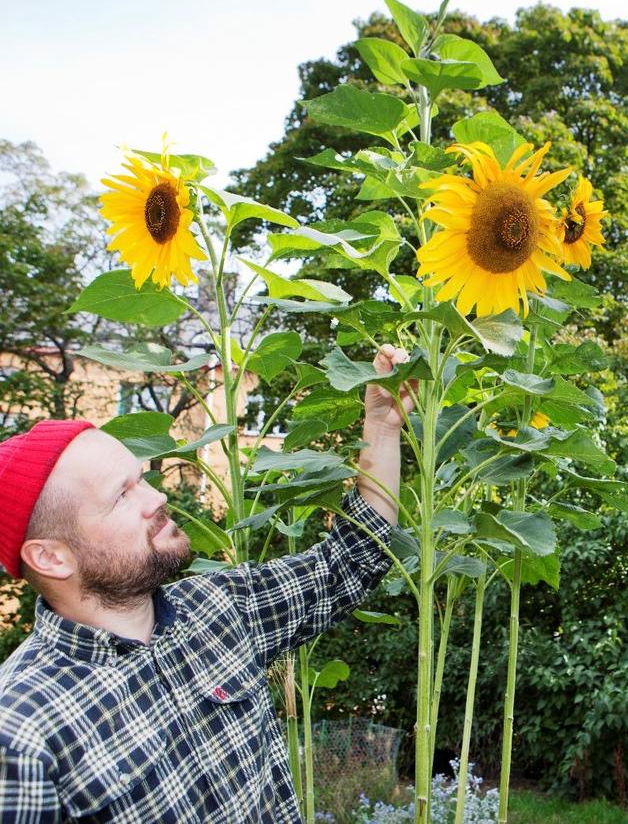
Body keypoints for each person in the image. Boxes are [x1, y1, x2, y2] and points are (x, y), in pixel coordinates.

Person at [0, 345, 415, 822]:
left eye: (140, 479)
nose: (157, 497)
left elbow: (348, 561)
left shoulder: (219, 607)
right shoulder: (22, 731)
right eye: (120, 496)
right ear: (51, 557)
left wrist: (382, 430)